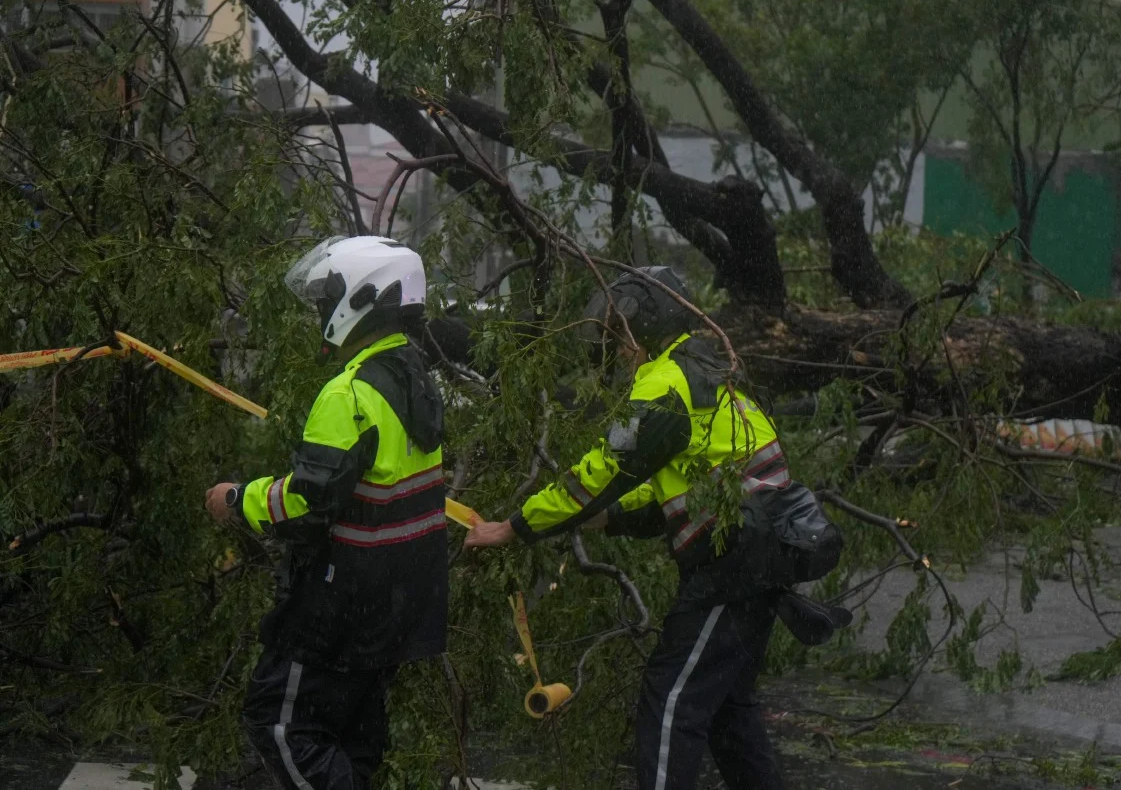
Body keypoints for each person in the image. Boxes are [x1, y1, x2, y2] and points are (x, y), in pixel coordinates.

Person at [466, 266, 847, 790]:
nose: (617, 348)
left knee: (670, 705)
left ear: (646, 326)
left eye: (619, 334)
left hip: (728, 565)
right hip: (756, 554)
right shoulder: (709, 375)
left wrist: (511, 527)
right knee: (729, 713)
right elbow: (676, 483)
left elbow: (599, 472)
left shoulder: (664, 387)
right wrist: (614, 516)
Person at [204, 235, 447, 790]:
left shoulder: (351, 393)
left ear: (360, 301)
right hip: (401, 600)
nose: (320, 312)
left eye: (325, 299)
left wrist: (237, 498)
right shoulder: (414, 376)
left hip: (340, 607)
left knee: (280, 725)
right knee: (356, 741)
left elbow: (308, 504)